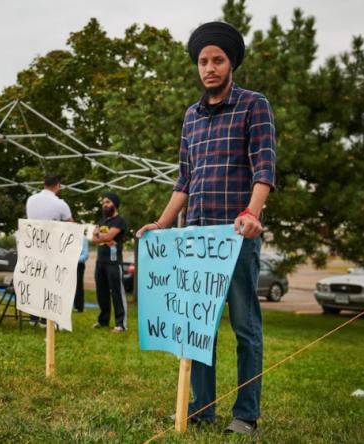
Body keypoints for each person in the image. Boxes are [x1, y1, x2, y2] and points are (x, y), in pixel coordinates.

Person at [137, 22, 276, 435]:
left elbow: (264, 167)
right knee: (197, 327)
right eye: (203, 61)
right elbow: (185, 178)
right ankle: (201, 408)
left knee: (245, 327)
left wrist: (252, 213)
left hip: (236, 238)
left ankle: (246, 415)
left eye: (217, 60)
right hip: (195, 238)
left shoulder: (253, 105)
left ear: (231, 63)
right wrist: (162, 222)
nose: (209, 68)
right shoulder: (191, 116)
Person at [26, 173, 73, 326]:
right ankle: (46, 319)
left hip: (32, 247)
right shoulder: (60, 204)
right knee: (50, 284)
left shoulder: (31, 200)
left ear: (44, 183)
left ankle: (33, 317)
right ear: (58, 185)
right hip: (51, 249)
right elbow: (71, 226)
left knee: (35, 281)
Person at [92, 192, 128, 332]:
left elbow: (107, 236)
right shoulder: (102, 220)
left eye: (107, 202)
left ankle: (121, 324)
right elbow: (94, 239)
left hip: (113, 262)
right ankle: (103, 321)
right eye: (103, 203)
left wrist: (100, 235)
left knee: (117, 292)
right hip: (100, 261)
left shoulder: (119, 221)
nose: (104, 205)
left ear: (114, 204)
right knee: (102, 293)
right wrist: (104, 237)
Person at [73, 238, 89, 312]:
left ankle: (79, 306)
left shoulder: (83, 238)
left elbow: (85, 255)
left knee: (78, 285)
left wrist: (75, 260)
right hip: (68, 264)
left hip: (78, 264)